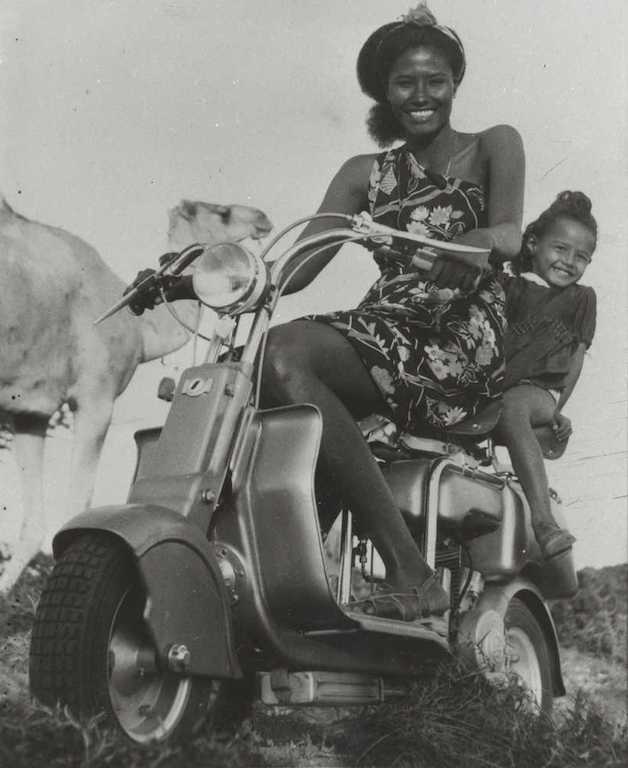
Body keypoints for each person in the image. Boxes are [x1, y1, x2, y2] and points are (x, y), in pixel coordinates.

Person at [260, 3, 525, 622]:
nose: (422, 94)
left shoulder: (494, 145)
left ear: (456, 82)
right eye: (405, 82)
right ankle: (281, 571)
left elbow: (511, 232)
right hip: (386, 324)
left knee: (286, 354)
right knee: (262, 361)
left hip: (460, 331)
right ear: (385, 90)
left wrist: (478, 243)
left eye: (435, 79)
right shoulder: (364, 175)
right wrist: (212, 276)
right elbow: (299, 266)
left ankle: (409, 570)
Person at [495, 191, 597, 560]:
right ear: (533, 244)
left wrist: (556, 410)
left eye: (582, 257)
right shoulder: (510, 287)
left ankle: (543, 520)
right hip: (497, 390)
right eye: (560, 249)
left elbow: (576, 360)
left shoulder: (582, 298)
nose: (569, 262)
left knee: (512, 406)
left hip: (541, 391)